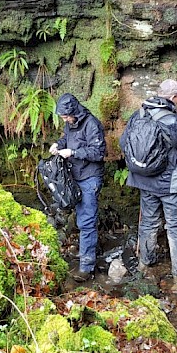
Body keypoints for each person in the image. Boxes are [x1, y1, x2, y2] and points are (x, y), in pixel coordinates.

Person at [120, 79, 177, 287]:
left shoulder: (139, 114)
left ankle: (145, 265)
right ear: (174, 97)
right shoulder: (169, 120)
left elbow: (124, 142)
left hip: (145, 181)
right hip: (171, 185)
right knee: (176, 227)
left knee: (148, 223)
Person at [49, 93, 106, 282]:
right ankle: (84, 251)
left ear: (74, 112)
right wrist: (58, 145)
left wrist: (73, 152)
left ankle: (86, 267)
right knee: (74, 216)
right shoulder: (70, 123)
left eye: (66, 117)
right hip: (74, 177)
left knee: (87, 221)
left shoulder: (92, 124)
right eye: (63, 118)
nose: (64, 120)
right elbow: (67, 138)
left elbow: (98, 152)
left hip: (90, 178)